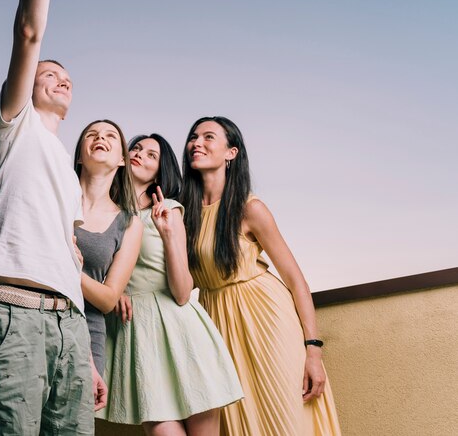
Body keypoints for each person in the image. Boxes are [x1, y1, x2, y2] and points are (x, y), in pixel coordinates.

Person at [0, 0, 109, 436]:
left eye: (66, 76)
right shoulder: (14, 126)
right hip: (12, 310)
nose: (60, 77)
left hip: (69, 326)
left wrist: (87, 354)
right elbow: (29, 29)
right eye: (48, 73)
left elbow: (69, 262)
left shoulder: (69, 182)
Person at [181, 117, 341, 435]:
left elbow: (296, 280)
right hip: (218, 327)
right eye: (194, 137)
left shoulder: (249, 208)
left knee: (286, 418)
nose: (196, 142)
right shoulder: (184, 213)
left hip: (267, 321)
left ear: (232, 153)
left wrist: (313, 351)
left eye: (208, 137)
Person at [100, 133, 244, 435]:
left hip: (181, 331)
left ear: (159, 173)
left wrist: (167, 235)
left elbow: (181, 293)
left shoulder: (169, 210)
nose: (140, 154)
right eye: (136, 148)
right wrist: (115, 291)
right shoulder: (104, 213)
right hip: (136, 333)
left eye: (152, 155)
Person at [72, 119, 143, 376]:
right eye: (91, 134)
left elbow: (108, 300)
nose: (100, 138)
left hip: (88, 336)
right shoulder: (55, 200)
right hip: (38, 317)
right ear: (80, 156)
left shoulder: (130, 223)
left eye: (111, 135)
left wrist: (68, 268)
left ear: (122, 159)